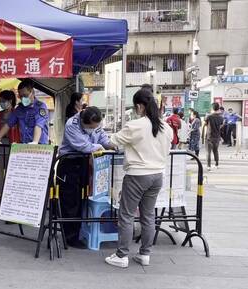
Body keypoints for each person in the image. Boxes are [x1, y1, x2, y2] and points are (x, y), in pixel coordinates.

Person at [104, 89, 173, 268]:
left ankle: (122, 255)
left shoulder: (136, 125)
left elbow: (113, 142)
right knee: (148, 215)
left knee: (126, 215)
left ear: (139, 106)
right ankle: (144, 254)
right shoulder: (166, 127)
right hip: (157, 175)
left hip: (137, 175)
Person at [57, 106, 115, 249]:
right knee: (71, 202)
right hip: (69, 163)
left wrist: (112, 145)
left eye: (95, 127)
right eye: (90, 127)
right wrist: (100, 147)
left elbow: (103, 138)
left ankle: (80, 231)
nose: (93, 129)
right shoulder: (72, 124)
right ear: (83, 121)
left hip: (84, 163)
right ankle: (70, 237)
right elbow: (84, 146)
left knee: (84, 199)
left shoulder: (95, 123)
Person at [0, 79, 49, 145]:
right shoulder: (19, 109)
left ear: (32, 92)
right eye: (21, 96)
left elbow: (39, 125)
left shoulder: (41, 107)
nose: (23, 98)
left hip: (40, 146)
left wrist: (35, 142)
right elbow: (8, 124)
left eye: (25, 95)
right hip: (24, 145)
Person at [0, 90, 20, 195]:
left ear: (10, 100)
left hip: (12, 145)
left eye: (3, 101)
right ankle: (1, 191)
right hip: (0, 146)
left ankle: (11, 192)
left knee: (11, 171)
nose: (1, 103)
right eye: (0, 101)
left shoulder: (16, 113)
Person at [204, 103, 225, 171]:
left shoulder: (209, 116)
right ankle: (216, 164)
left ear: (212, 108)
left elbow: (205, 123)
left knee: (208, 152)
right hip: (217, 137)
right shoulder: (221, 117)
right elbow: (221, 125)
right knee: (215, 151)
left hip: (209, 136)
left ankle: (208, 166)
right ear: (218, 109)